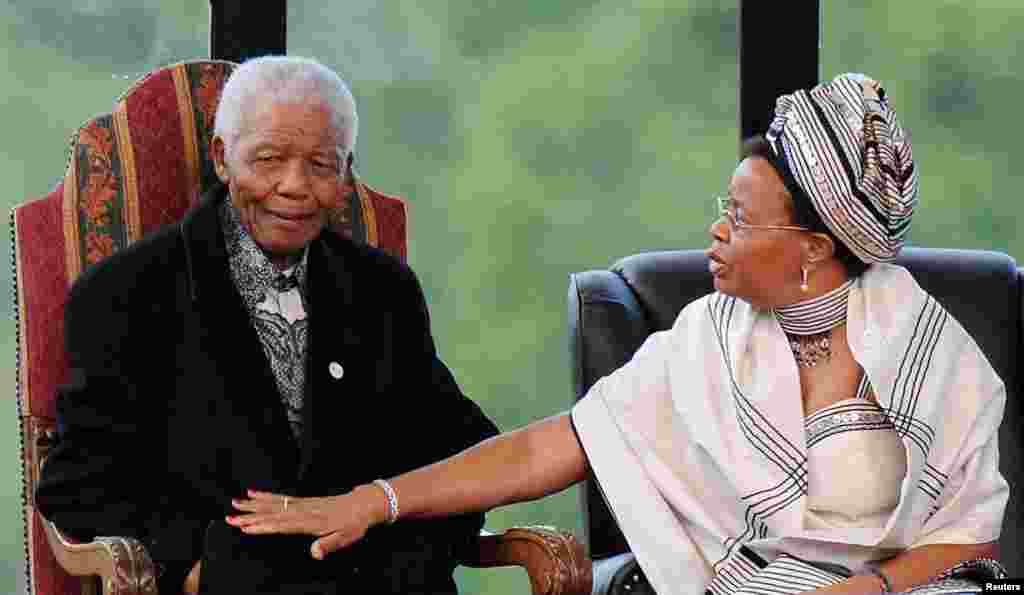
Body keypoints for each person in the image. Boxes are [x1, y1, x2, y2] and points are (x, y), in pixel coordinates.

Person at [226, 74, 1010, 595]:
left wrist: (864, 591)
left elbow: (969, 530)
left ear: (811, 249)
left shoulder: (921, 343)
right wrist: (376, 500)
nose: (716, 230)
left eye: (739, 217)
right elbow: (547, 449)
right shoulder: (708, 337)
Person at [35, 56, 499, 595]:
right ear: (222, 158)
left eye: (322, 165)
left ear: (346, 171)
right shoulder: (129, 292)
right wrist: (195, 564)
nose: (295, 186)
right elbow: (79, 485)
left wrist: (405, 546)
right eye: (269, 159)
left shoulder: (382, 289)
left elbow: (466, 451)